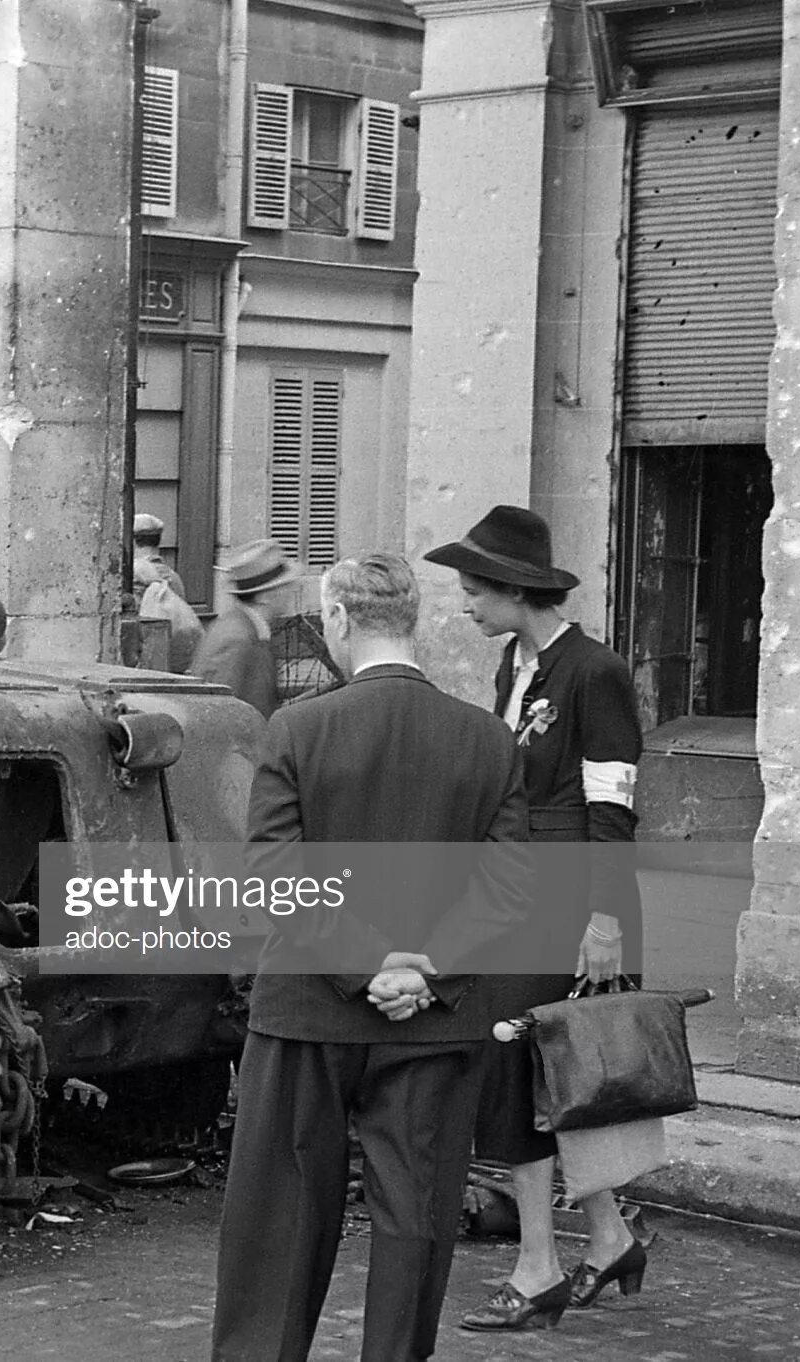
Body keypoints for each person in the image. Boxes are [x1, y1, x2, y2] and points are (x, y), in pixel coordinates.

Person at [212, 553, 528, 1362]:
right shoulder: (488, 739)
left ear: (340, 621)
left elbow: (274, 878)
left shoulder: (299, 729)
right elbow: (509, 889)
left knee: (280, 1217)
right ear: (412, 622)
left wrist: (366, 966)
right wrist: (423, 969)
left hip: (309, 1007)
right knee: (414, 1218)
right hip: (435, 1015)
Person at [425, 505, 649, 1329]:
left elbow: (611, 807)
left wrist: (604, 920)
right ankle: (606, 1239)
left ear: (517, 591)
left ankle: (537, 1266)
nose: (464, 606)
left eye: (473, 590)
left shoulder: (594, 672)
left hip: (568, 901)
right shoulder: (514, 665)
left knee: (528, 1070)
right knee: (540, 1075)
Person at [192, 538, 299, 717]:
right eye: (284, 586)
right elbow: (224, 714)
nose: (292, 591)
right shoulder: (241, 641)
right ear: (266, 596)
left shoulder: (237, 626)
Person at [132, 512, 203, 672]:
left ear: (132, 541)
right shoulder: (173, 577)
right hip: (172, 663)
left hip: (142, 665)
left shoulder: (132, 576)